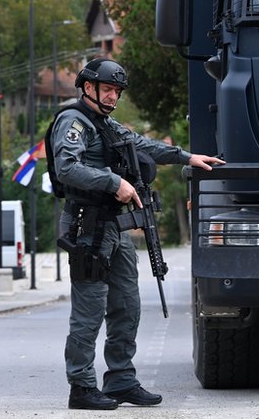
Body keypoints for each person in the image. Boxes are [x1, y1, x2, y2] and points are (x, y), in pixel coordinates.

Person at [46, 58, 225, 410]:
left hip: (112, 225)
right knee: (89, 310)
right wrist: (115, 183)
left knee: (127, 305)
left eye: (117, 91)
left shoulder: (106, 124)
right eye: (107, 89)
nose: (113, 97)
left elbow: (142, 145)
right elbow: (67, 167)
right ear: (87, 87)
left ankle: (121, 380)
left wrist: (188, 157)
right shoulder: (74, 121)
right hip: (86, 226)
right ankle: (81, 387)